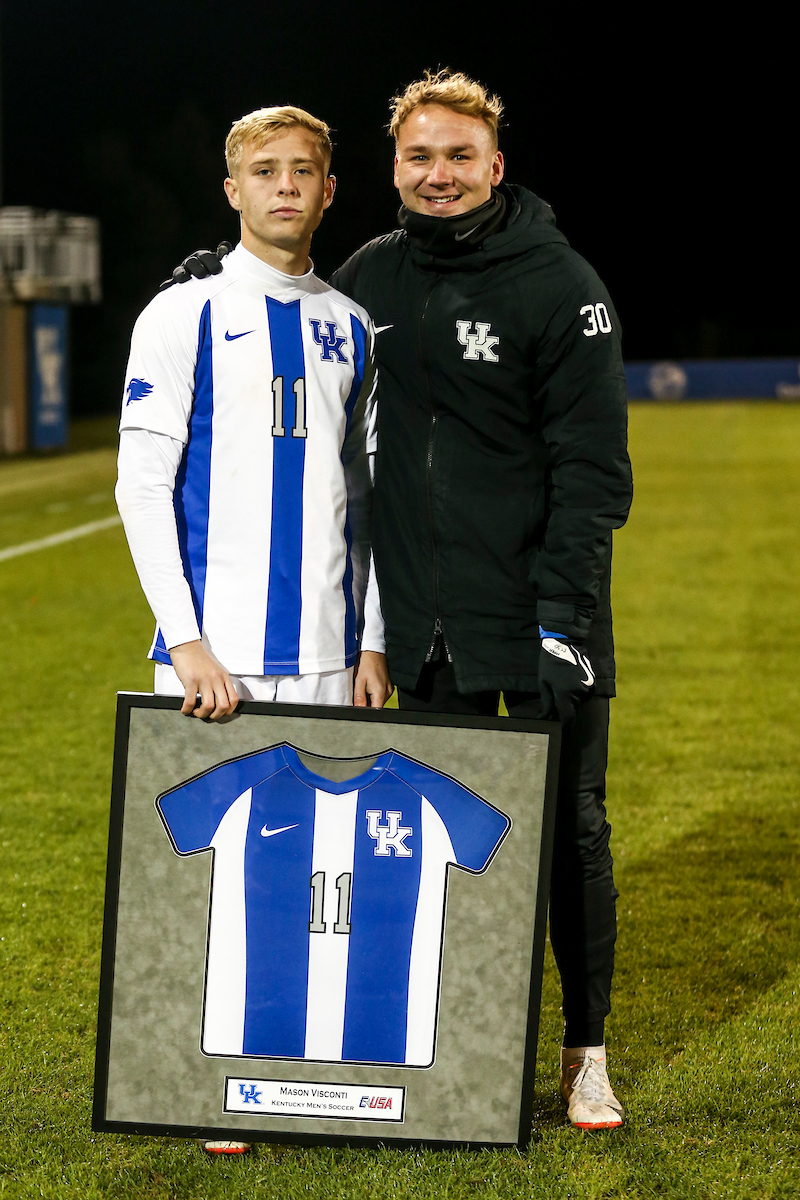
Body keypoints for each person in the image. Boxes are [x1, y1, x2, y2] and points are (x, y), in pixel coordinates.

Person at [170, 70, 633, 1131]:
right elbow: (295, 308)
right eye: (418, 157)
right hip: (420, 630)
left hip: (542, 619)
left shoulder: (558, 282)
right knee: (432, 847)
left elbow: (593, 471)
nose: (438, 175)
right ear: (392, 169)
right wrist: (215, 283)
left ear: (494, 166)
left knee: (569, 831)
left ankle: (583, 1051)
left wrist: (561, 617)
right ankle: (452, 1054)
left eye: (457, 156)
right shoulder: (371, 277)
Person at [115, 105, 392, 1152]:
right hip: (216, 654)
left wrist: (372, 638)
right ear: (231, 191)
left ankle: (295, 1070)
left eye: (305, 172)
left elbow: (366, 503)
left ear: (329, 191)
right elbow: (142, 485)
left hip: (328, 652)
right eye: (263, 172)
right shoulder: (182, 312)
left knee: (316, 874)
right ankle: (209, 1078)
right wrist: (182, 639)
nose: (285, 187)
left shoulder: (353, 324)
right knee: (213, 872)